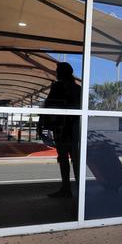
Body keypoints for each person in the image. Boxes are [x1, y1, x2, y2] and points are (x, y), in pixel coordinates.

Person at [38, 62, 82, 198]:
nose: (57, 73)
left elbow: (48, 106)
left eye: (58, 71)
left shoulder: (58, 86)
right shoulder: (78, 88)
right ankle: (78, 189)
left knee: (63, 159)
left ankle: (66, 188)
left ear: (62, 72)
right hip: (74, 129)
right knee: (75, 160)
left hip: (62, 129)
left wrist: (41, 124)